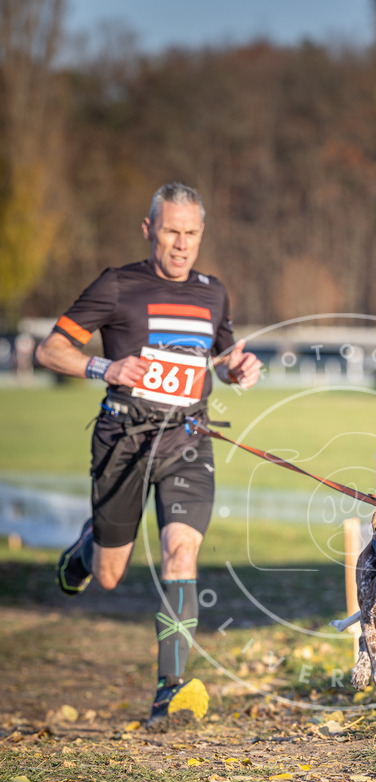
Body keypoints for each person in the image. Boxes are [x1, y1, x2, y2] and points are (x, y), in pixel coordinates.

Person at [36, 182, 261, 731]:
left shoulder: (214, 292)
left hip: (188, 439)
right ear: (149, 229)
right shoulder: (117, 285)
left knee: (181, 553)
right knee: (110, 575)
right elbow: (52, 348)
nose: (181, 245)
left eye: (191, 233)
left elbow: (224, 353)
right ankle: (88, 550)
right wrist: (104, 368)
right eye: (171, 232)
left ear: (201, 233)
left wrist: (237, 368)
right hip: (124, 439)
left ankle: (170, 690)